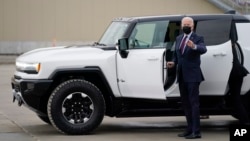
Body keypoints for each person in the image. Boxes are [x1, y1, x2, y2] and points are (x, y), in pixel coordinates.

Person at [167, 17, 207, 139]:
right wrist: (173, 62)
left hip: (193, 76)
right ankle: (189, 129)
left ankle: (196, 131)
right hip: (182, 76)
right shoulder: (179, 38)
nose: (186, 26)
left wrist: (194, 46)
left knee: (194, 104)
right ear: (181, 26)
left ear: (192, 26)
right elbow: (177, 55)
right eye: (184, 24)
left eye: (188, 24)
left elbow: (203, 49)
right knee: (186, 104)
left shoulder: (198, 38)